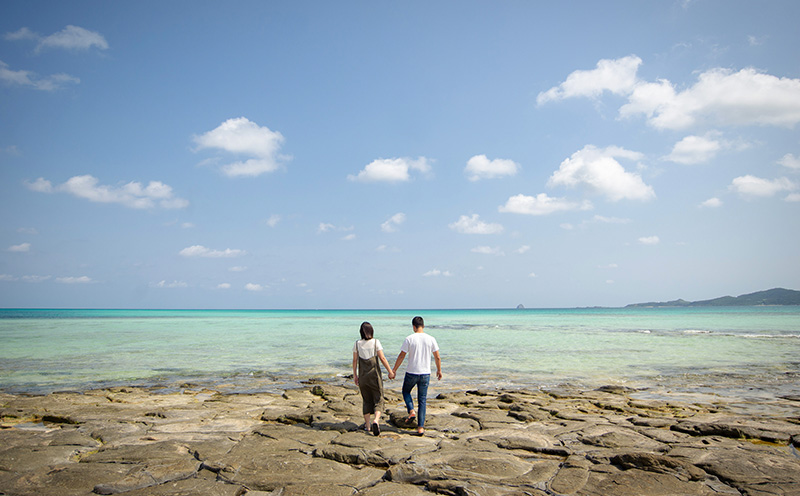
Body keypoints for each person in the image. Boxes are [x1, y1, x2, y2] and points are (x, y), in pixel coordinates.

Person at [392, 316, 442, 436]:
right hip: (425, 373)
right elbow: (437, 357)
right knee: (422, 400)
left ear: (414, 327)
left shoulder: (409, 339)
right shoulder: (431, 339)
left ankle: (411, 410)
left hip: (411, 372)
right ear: (423, 326)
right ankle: (420, 428)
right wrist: (439, 370)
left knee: (406, 391)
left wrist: (394, 370)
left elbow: (401, 356)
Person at [352, 321, 395, 435]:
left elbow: (355, 361)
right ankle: (376, 420)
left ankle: (367, 426)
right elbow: (382, 358)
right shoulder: (376, 342)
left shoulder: (357, 344)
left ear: (361, 332)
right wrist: (390, 372)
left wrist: (355, 376)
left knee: (366, 400)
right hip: (374, 377)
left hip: (363, 377)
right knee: (378, 399)